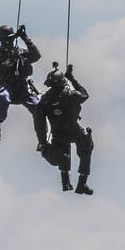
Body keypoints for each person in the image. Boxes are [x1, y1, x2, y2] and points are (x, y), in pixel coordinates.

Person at [34, 63, 94, 194]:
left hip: (58, 134)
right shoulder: (72, 95)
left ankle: (66, 182)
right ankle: (81, 183)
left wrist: (43, 142)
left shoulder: (45, 101)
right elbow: (85, 94)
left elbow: (39, 124)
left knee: (62, 148)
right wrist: (71, 77)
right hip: (73, 131)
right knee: (86, 143)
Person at [0, 23, 41, 141]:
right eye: (5, 40)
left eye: (10, 39)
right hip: (7, 86)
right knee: (2, 97)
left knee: (39, 106)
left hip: (22, 87)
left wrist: (25, 37)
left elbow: (36, 56)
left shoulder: (20, 52)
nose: (8, 42)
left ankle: (43, 139)